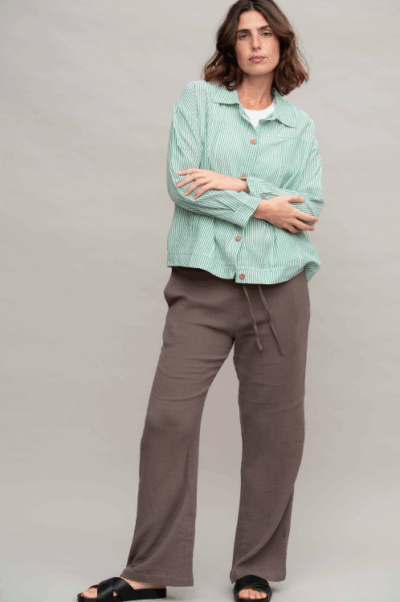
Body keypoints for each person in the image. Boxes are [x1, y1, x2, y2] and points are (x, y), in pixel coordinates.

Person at [77, 1, 323, 600]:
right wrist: (264, 204)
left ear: (282, 44)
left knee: (275, 431)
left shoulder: (300, 126)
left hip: (279, 289)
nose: (255, 44)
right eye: (244, 35)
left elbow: (308, 206)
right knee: (169, 420)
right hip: (203, 285)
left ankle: (255, 566)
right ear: (230, 45)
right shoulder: (198, 102)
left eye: (266, 33)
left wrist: (238, 184)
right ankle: (150, 570)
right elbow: (183, 184)